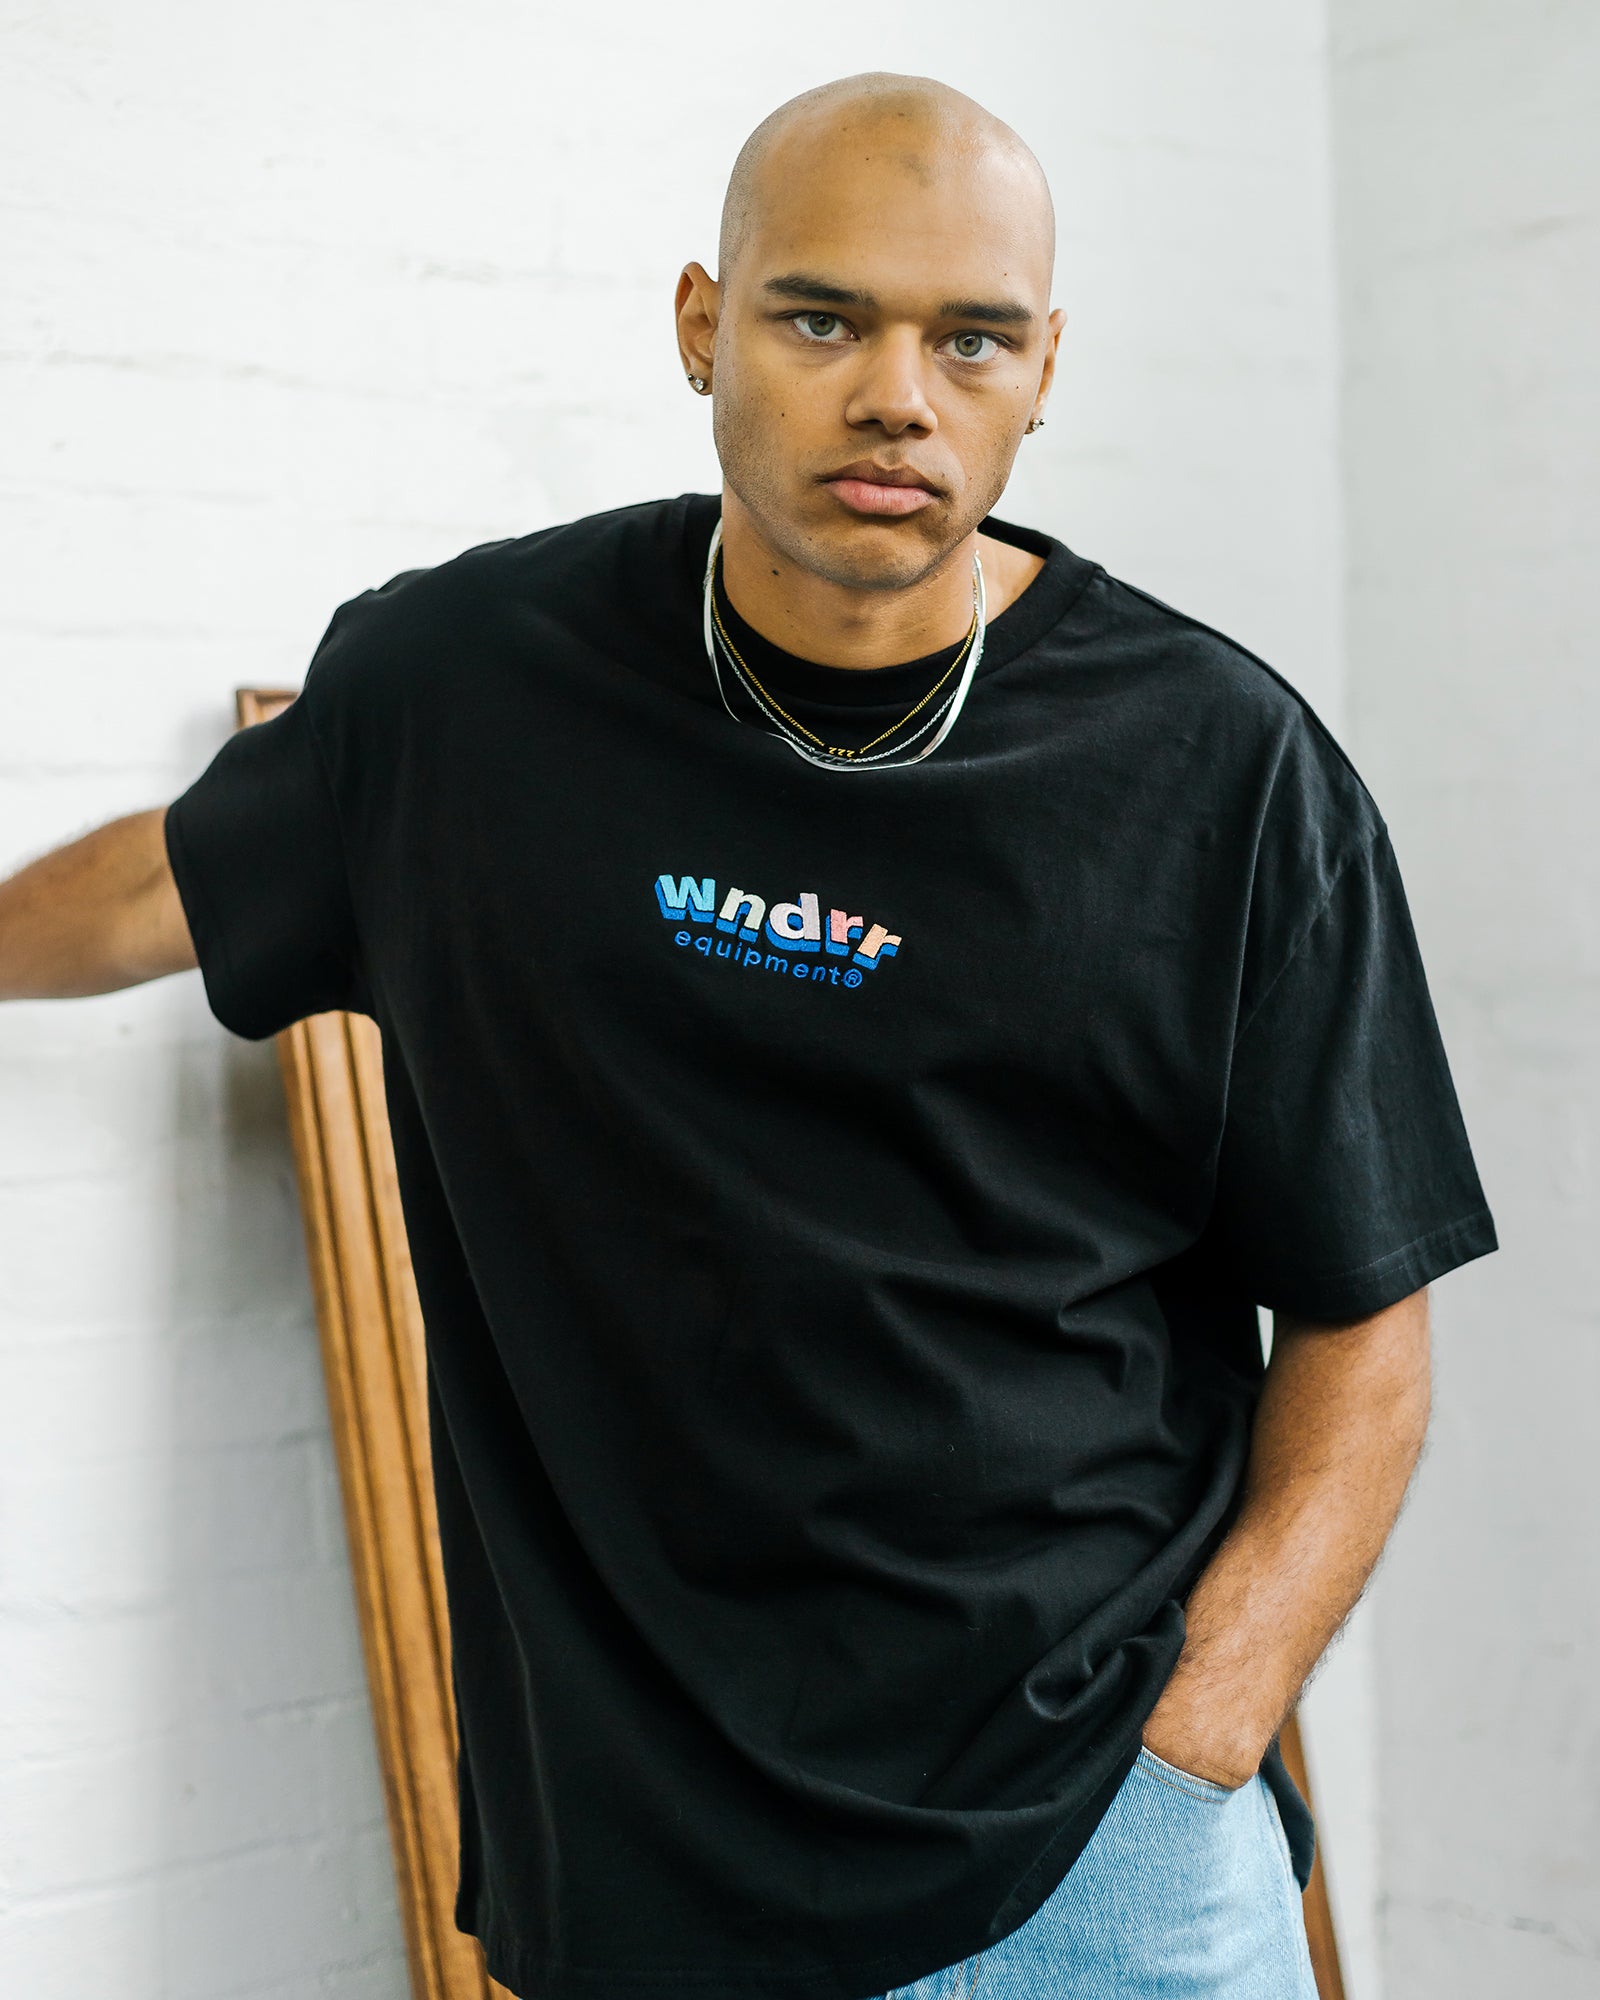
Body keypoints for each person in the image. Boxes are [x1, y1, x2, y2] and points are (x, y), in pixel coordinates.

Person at [0, 70, 1496, 2000]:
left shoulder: (1224, 773)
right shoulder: (472, 696)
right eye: (823, 319)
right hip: (646, 1884)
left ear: (1046, 370)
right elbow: (161, 887)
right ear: (703, 324)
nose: (898, 395)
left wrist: (1195, 1743)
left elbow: (1368, 1322)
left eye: (971, 339)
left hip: (1097, 1875)